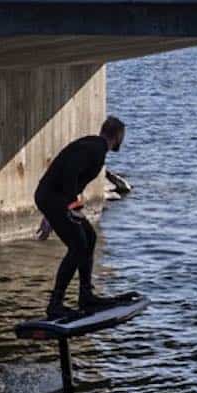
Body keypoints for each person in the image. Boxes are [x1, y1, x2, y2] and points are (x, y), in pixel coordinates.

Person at [35, 115, 129, 319]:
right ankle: (55, 304)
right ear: (118, 136)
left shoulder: (93, 145)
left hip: (53, 198)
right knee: (77, 245)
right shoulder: (95, 150)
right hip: (55, 198)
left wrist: (53, 214)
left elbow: (69, 176)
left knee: (90, 237)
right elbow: (70, 173)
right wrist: (70, 206)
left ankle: (86, 295)